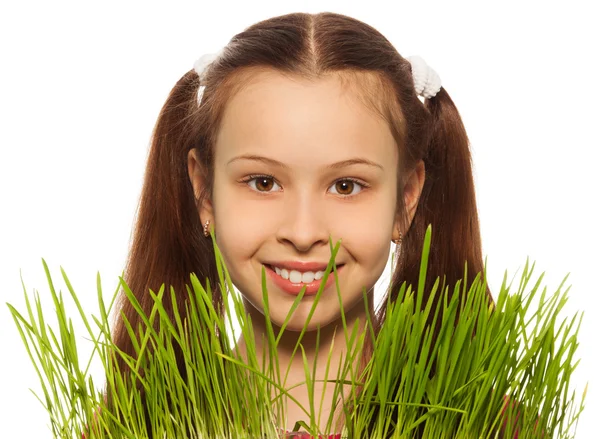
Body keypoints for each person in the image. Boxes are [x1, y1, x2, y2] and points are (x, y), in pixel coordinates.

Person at [110, 11, 489, 438]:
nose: (304, 232)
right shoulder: (132, 426)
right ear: (204, 192)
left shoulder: (492, 426)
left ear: (406, 199)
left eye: (346, 186)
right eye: (263, 182)